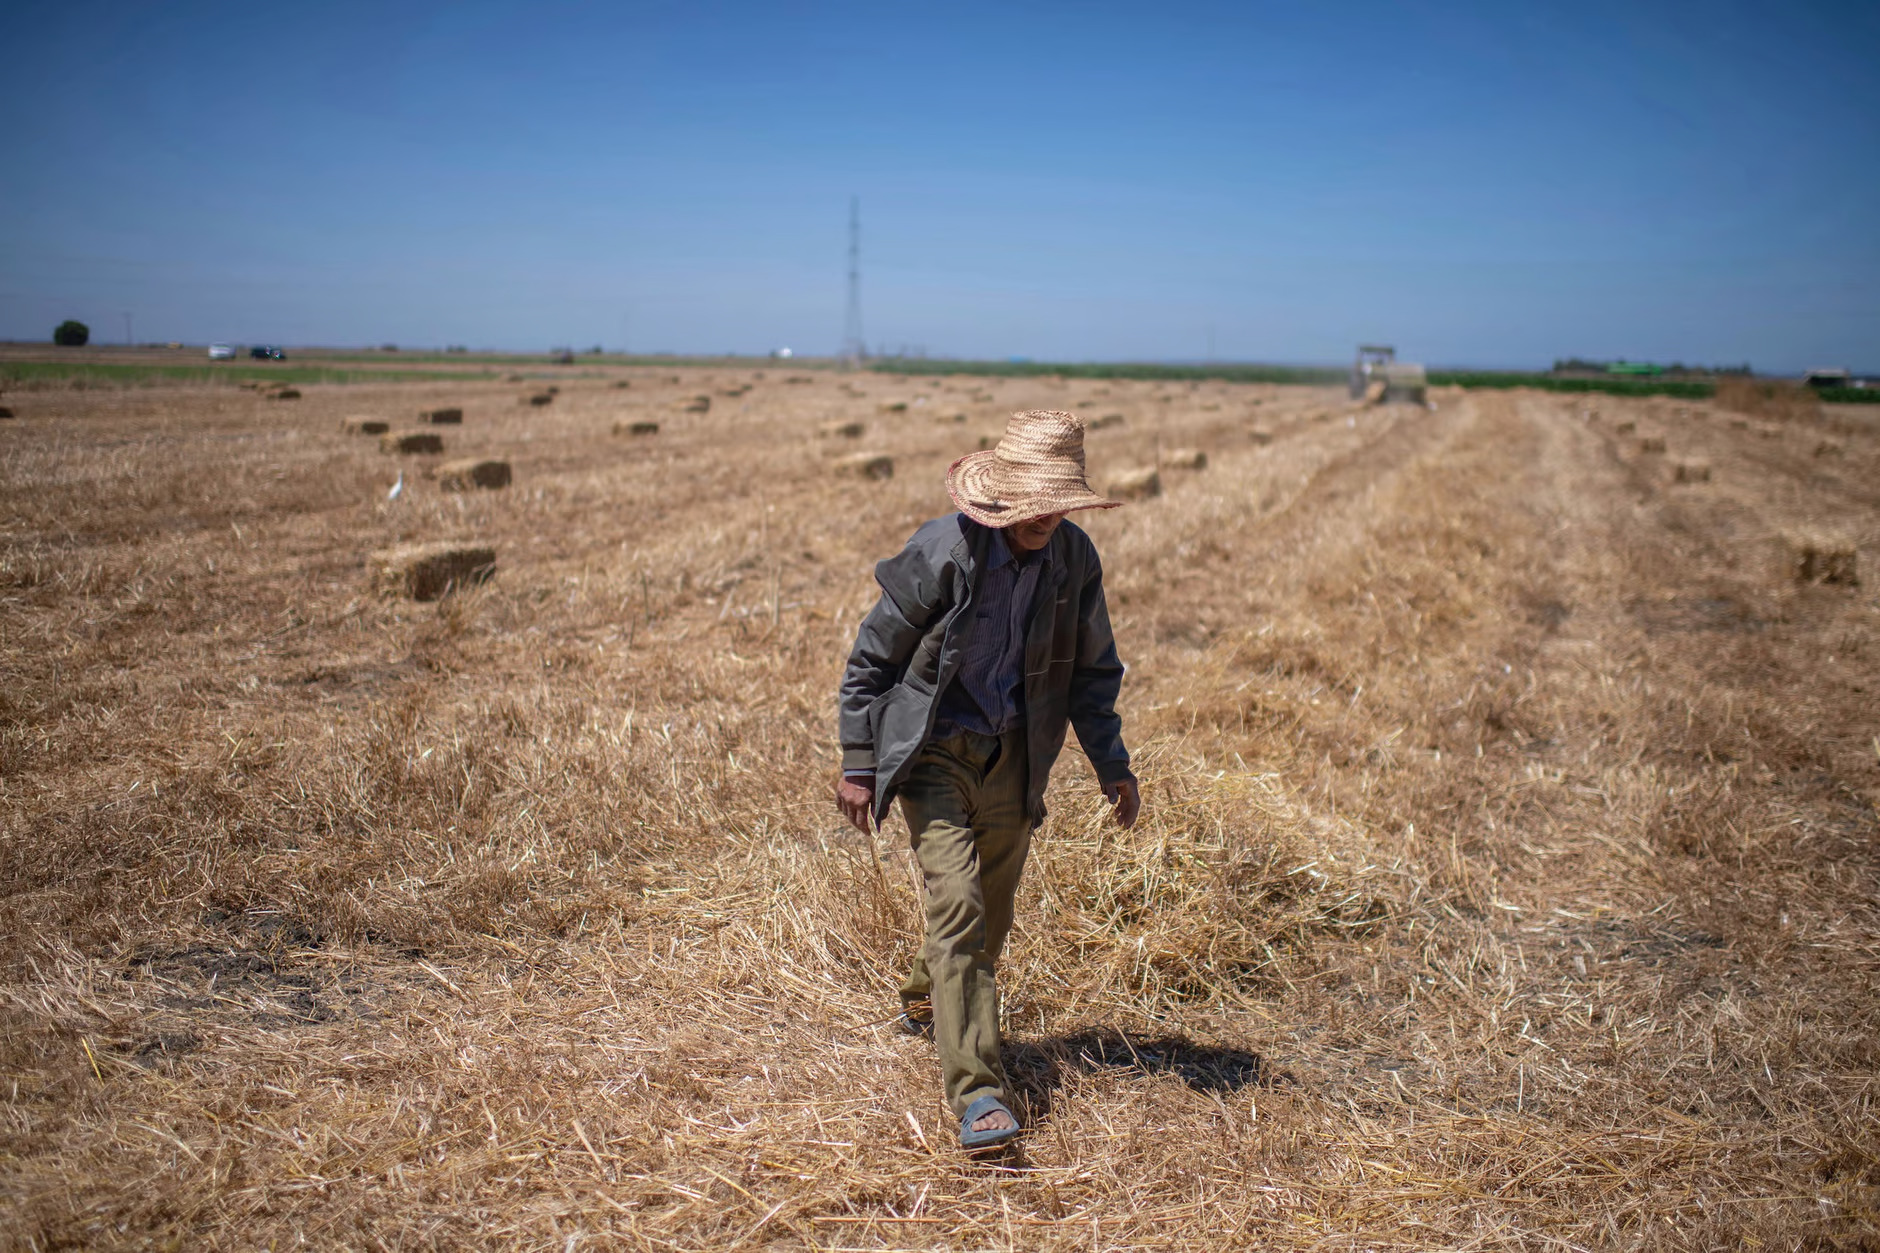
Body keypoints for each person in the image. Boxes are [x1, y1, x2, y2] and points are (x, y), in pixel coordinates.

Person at [835, 409, 1142, 1150]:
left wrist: (1113, 766)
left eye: (1054, 503)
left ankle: (923, 998)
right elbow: (874, 655)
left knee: (987, 918)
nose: (1042, 518)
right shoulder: (944, 551)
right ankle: (978, 1091)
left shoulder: (1075, 561)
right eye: (1030, 502)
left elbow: (1093, 674)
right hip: (935, 755)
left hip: (1015, 756)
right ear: (1001, 493)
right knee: (961, 908)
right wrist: (859, 759)